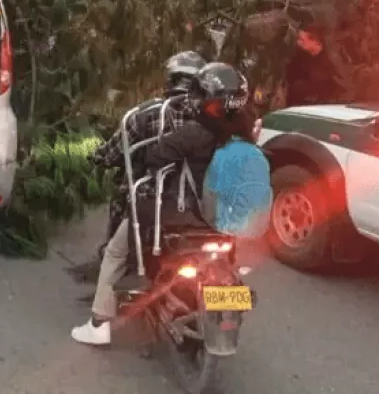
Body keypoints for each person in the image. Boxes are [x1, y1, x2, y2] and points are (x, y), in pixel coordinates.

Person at [71, 62, 249, 347]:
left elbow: (153, 157)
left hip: (183, 213)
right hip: (226, 218)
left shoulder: (184, 128)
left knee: (116, 251)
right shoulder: (244, 132)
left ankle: (99, 323)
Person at [70, 51, 206, 283]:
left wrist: (94, 157)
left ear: (171, 80)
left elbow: (112, 153)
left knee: (115, 250)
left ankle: (102, 312)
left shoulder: (146, 115)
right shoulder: (214, 117)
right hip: (203, 205)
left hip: (153, 201)